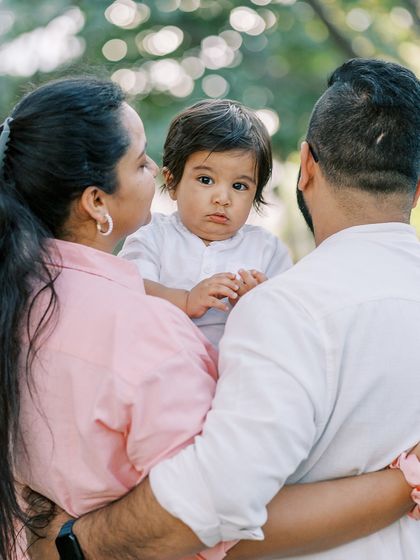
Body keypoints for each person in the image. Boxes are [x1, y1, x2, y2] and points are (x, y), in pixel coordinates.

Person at [0, 70, 416, 560]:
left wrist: (63, 543)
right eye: (141, 163)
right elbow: (212, 519)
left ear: (304, 165)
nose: (153, 171)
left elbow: (208, 507)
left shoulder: (25, 296)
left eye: (241, 185)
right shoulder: (145, 320)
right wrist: (403, 483)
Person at [119, 99, 291, 348]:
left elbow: (288, 317)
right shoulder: (152, 236)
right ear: (172, 182)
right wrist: (186, 300)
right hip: (164, 364)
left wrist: (258, 302)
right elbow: (132, 291)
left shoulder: (267, 249)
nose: (222, 198)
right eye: (206, 179)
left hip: (235, 372)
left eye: (239, 186)